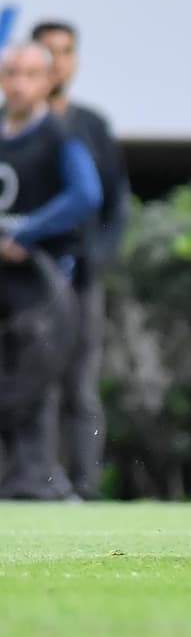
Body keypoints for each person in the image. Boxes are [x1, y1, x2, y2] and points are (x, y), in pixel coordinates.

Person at [33, 20, 131, 501]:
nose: (55, 63)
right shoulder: (16, 129)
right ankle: (35, 483)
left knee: (80, 388)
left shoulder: (89, 126)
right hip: (24, 282)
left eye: (64, 52)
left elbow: (115, 202)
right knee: (32, 386)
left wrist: (98, 258)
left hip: (80, 280)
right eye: (45, 52)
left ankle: (85, 489)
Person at [0, 42, 103, 499]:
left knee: (46, 387)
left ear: (47, 81)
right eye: (10, 73)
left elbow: (86, 195)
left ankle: (54, 483)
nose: (18, 84)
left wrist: (24, 232)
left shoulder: (61, 136)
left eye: (28, 74)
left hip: (47, 287)